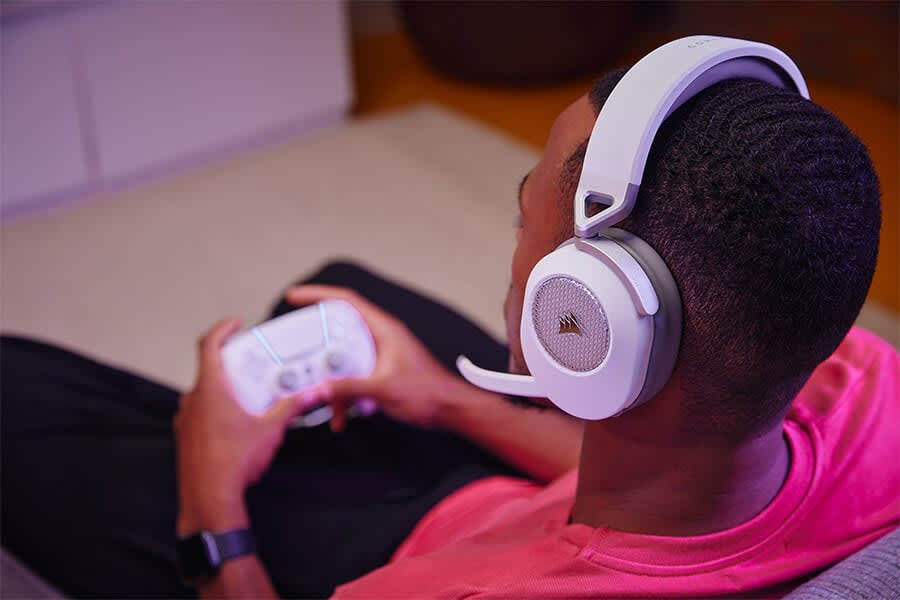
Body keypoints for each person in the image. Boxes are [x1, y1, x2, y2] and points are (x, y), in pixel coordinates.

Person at [3, 58, 898, 600]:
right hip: (526, 503)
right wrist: (441, 397)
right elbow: (676, 486)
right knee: (337, 292)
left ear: (581, 318)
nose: (512, 243)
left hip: (380, 555)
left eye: (524, 217)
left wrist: (212, 513)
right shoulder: (873, 396)